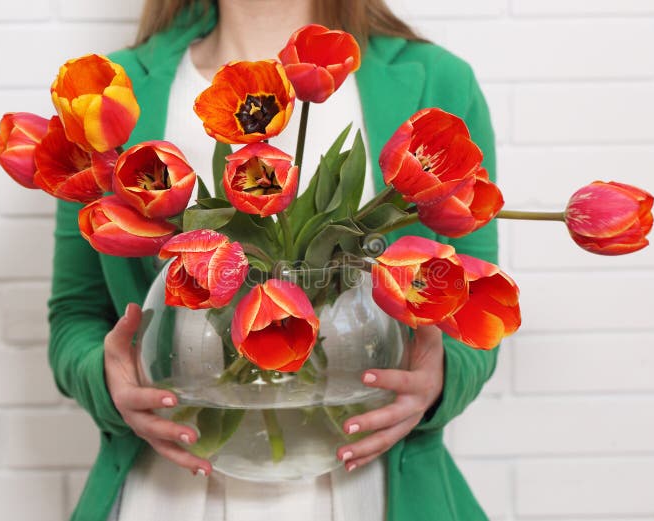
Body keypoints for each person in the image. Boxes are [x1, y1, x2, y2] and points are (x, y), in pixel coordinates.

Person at [48, 1, 499, 520]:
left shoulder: (434, 80)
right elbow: (76, 314)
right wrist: (106, 381)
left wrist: (440, 375)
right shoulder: (111, 92)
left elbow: (474, 297)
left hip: (367, 487)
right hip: (170, 488)